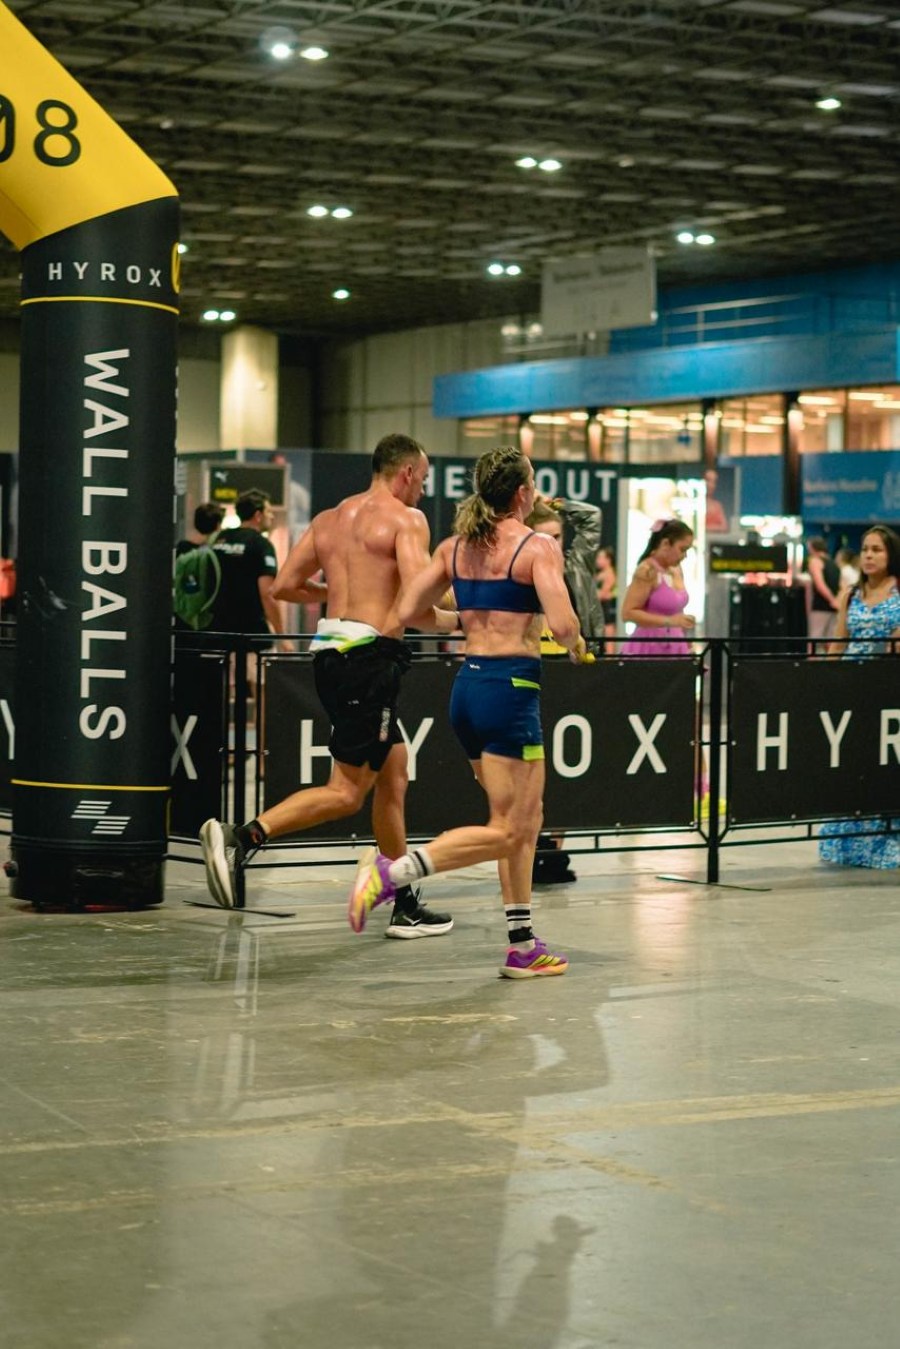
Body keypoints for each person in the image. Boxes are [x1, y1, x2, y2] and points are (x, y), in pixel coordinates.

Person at [199, 433, 460, 936]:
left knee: (394, 773)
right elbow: (416, 601)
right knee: (346, 793)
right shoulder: (407, 519)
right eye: (423, 480)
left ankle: (403, 901)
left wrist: (341, 591)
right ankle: (243, 837)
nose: (423, 491)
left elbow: (285, 586)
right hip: (370, 661)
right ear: (406, 473)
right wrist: (462, 616)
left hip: (332, 656)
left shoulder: (328, 519)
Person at [348, 445, 590, 979]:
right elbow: (564, 624)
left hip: (468, 690)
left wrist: (464, 622)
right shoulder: (537, 546)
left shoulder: (455, 547)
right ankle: (392, 875)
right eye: (532, 483)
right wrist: (573, 642)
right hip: (511, 690)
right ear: (522, 493)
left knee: (524, 820)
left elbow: (409, 611)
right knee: (510, 829)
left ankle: (522, 943)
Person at [819, 524, 900, 870]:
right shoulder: (850, 595)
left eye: (877, 550)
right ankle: (848, 835)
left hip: (888, 688)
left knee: (883, 762)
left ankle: (884, 834)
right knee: (852, 760)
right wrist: (824, 679)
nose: (868, 555)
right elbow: (839, 642)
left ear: (891, 555)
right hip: (851, 687)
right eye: (865, 549)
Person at [208, 489, 290, 652]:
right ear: (258, 515)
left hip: (216, 632)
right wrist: (282, 636)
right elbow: (267, 594)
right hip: (251, 634)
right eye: (268, 512)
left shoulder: (219, 539)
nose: (271, 517)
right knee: (253, 670)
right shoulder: (261, 544)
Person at [620, 518, 696, 655]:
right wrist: (669, 621)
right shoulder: (647, 571)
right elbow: (628, 613)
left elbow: (677, 611)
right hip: (649, 648)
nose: (684, 556)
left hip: (676, 646)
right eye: (682, 549)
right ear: (666, 544)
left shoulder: (677, 570)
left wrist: (687, 641)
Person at [806, 536, 841, 645]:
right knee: (830, 641)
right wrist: (837, 601)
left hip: (821, 606)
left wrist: (832, 600)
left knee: (815, 641)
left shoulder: (815, 561)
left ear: (812, 548)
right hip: (834, 608)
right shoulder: (834, 564)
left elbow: (820, 585)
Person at [596, 546, 617, 653]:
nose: (597, 560)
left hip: (607, 608)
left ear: (608, 559)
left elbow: (604, 593)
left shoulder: (610, 574)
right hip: (600, 608)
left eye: (600, 557)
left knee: (609, 639)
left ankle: (610, 658)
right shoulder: (601, 574)